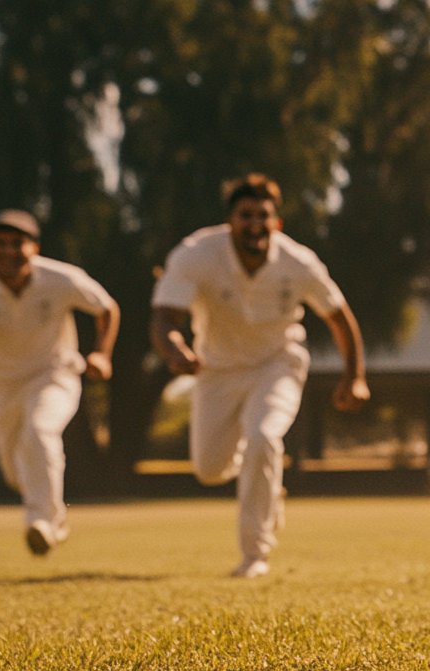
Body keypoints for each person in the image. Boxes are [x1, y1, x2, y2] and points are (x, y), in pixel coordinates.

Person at [150, 174, 369, 578]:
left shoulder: (298, 261)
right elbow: (165, 317)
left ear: (276, 223)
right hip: (216, 368)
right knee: (209, 470)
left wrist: (354, 375)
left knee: (263, 437)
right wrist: (175, 350)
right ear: (230, 221)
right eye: (245, 215)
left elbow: (339, 317)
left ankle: (255, 555)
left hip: (278, 363)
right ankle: (268, 480)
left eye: (263, 216)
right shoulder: (196, 253)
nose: (254, 224)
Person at [0, 210, 120, 555]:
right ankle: (54, 516)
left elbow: (107, 308)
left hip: (55, 372)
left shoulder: (61, 277)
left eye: (17, 243)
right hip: (3, 382)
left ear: (34, 248)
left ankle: (43, 522)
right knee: (14, 473)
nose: (8, 251)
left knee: (40, 431)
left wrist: (102, 355)